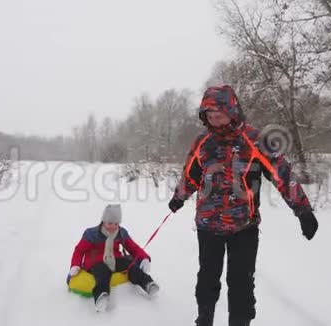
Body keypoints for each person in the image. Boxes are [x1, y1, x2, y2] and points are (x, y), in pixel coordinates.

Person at [168, 85, 318, 326]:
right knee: (207, 277)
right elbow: (191, 175)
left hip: (244, 227)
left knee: (241, 282)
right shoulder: (202, 142)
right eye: (209, 115)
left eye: (219, 114)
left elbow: (282, 174)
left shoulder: (255, 140)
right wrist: (179, 196)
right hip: (208, 225)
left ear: (232, 110)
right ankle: (204, 318)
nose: (214, 120)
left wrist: (302, 210)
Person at [68, 204, 159, 312]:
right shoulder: (91, 234)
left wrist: (144, 258)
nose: (112, 226)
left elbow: (132, 247)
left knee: (130, 266)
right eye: (109, 223)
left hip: (115, 259)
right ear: (103, 221)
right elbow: (79, 250)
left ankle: (148, 284)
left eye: (116, 223)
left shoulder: (121, 232)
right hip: (96, 262)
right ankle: (101, 297)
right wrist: (75, 265)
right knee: (102, 273)